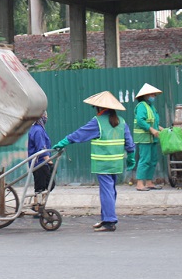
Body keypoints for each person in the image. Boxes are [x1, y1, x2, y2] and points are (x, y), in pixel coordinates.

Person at [52, 91, 136, 232]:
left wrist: (64, 142)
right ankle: (106, 218)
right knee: (111, 191)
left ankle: (109, 221)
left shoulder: (97, 122)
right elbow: (129, 142)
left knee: (106, 192)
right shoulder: (121, 121)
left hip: (102, 163)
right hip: (116, 163)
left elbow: (79, 134)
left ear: (98, 107)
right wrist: (132, 157)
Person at [133, 83, 164, 191]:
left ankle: (149, 182)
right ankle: (140, 183)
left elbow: (153, 122)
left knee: (153, 160)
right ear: (146, 95)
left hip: (152, 138)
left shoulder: (151, 107)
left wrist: (160, 129)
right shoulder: (142, 106)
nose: (154, 96)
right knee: (145, 160)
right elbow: (141, 121)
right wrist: (151, 129)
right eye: (152, 94)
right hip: (144, 138)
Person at [27, 111, 54, 209]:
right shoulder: (38, 130)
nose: (46, 117)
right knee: (44, 184)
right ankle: (37, 205)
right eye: (45, 116)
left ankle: (38, 204)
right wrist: (50, 162)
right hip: (39, 163)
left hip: (40, 162)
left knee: (43, 185)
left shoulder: (39, 129)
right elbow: (41, 148)